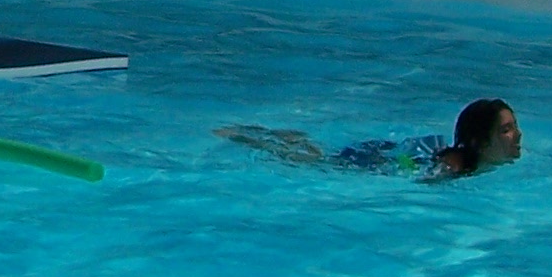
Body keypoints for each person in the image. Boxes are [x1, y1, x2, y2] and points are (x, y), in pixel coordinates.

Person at [219, 98, 523, 180]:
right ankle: (252, 139)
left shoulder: (474, 162)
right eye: (506, 129)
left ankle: (277, 135)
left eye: (515, 126)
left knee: (320, 153)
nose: (518, 134)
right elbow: (421, 180)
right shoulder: (455, 167)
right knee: (315, 161)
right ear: (481, 141)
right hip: (381, 161)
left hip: (395, 154)